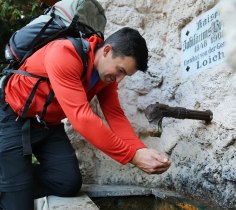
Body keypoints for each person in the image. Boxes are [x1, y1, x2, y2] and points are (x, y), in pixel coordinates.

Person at [0, 27, 171, 210]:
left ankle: (15, 180)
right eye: (120, 70)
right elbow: (81, 117)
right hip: (12, 118)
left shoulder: (105, 77)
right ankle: (14, 185)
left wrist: (140, 149)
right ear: (106, 51)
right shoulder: (64, 53)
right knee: (18, 205)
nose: (119, 80)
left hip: (47, 125)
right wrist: (132, 156)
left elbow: (115, 115)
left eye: (125, 75)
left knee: (67, 183)